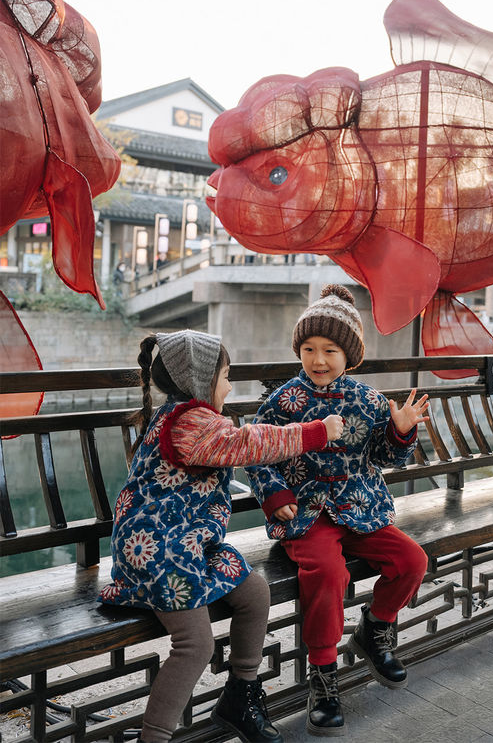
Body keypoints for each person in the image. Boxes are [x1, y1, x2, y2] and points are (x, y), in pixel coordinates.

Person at [99, 329, 344, 743]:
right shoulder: (189, 423)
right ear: (199, 380)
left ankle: (239, 695)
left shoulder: (188, 417)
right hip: (157, 553)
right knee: (194, 644)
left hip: (189, 544)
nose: (230, 386)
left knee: (254, 592)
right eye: (226, 376)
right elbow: (248, 444)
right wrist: (316, 431)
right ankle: (154, 736)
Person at [245, 285, 430, 737]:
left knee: (412, 560)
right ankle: (324, 679)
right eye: (309, 349)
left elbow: (386, 457)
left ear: (350, 355)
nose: (318, 359)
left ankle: (375, 628)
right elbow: (256, 452)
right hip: (306, 514)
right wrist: (274, 496)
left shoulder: (368, 400)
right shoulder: (282, 400)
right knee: (328, 574)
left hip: (361, 506)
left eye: (329, 349)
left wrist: (401, 432)